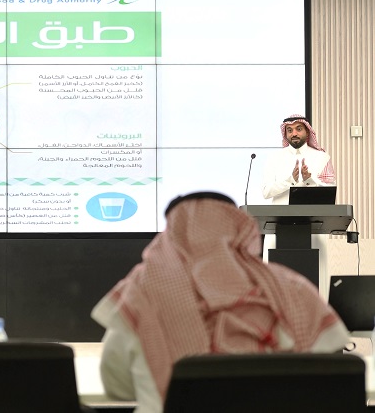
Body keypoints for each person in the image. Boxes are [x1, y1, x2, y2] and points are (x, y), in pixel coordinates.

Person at [91, 192, 349, 413]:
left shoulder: (142, 293)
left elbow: (117, 386)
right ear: (237, 227)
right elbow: (332, 375)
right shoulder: (291, 289)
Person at [261, 114, 336, 298]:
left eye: (298, 129)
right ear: (285, 133)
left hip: (314, 228)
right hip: (278, 227)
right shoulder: (274, 158)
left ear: (307, 132)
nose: (294, 133)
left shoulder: (322, 157)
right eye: (289, 130)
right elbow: (266, 191)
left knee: (316, 281)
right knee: (277, 283)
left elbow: (330, 189)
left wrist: (310, 179)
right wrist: (289, 181)